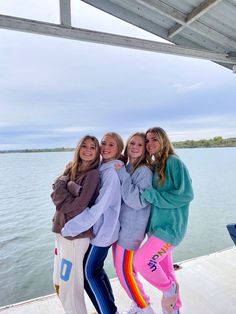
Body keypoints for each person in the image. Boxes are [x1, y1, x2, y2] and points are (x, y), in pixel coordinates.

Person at [62, 132, 124, 314]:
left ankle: (109, 311)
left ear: (119, 149)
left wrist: (70, 228)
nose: (105, 147)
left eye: (111, 145)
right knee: (96, 271)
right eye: (103, 143)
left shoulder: (111, 173)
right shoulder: (103, 168)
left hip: (104, 232)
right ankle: (110, 309)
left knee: (89, 273)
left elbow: (98, 208)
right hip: (100, 230)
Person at [134, 127, 194, 314]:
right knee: (166, 270)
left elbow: (186, 195)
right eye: (148, 140)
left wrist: (152, 196)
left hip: (171, 229)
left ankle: (169, 290)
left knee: (142, 262)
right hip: (158, 229)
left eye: (154, 139)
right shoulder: (157, 164)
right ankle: (173, 310)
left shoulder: (173, 162)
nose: (150, 144)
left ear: (163, 140)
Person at [51, 135, 100, 314]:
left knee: (70, 283)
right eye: (84, 146)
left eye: (92, 147)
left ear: (97, 152)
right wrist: (65, 185)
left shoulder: (93, 174)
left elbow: (79, 206)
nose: (87, 150)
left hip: (75, 236)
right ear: (78, 148)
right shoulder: (71, 168)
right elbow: (54, 195)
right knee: (59, 280)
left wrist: (63, 187)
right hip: (60, 231)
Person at [113, 132, 155, 314]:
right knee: (128, 271)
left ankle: (145, 308)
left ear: (145, 149)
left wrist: (121, 173)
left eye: (139, 144)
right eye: (132, 143)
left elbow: (137, 201)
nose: (135, 147)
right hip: (121, 229)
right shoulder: (129, 166)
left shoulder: (144, 171)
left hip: (131, 232)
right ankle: (140, 302)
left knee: (124, 274)